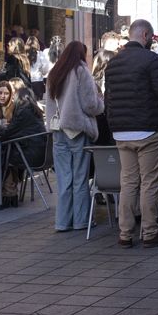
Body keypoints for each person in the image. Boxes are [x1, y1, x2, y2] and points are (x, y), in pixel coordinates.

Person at [104, 19, 158, 248]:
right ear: (145, 35)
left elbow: (108, 99)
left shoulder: (113, 63)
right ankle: (150, 232)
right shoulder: (151, 59)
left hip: (121, 132)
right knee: (150, 183)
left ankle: (125, 234)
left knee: (128, 182)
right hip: (147, 130)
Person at [45, 41, 105, 231]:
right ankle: (80, 221)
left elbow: (49, 105)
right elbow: (90, 104)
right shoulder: (81, 70)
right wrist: (101, 104)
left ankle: (62, 222)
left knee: (64, 178)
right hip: (77, 130)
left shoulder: (54, 73)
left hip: (58, 131)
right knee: (80, 177)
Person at [0, 85, 46, 206]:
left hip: (31, 155)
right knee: (5, 152)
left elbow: (7, 132)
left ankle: (7, 194)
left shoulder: (23, 111)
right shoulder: (35, 111)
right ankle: (9, 194)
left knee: (1, 156)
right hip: (41, 154)